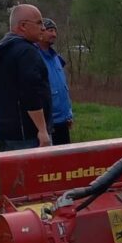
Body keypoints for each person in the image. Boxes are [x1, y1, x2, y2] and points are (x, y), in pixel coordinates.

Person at [0, 4, 52, 150]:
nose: (43, 27)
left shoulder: (2, 49)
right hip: (27, 135)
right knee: (35, 173)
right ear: (23, 26)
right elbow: (31, 92)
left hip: (5, 131)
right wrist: (42, 130)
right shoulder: (26, 52)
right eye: (39, 23)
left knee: (12, 173)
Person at [38, 17, 74, 146]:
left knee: (65, 162)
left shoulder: (56, 58)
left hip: (62, 121)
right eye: (50, 30)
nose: (54, 34)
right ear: (40, 32)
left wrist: (68, 114)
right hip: (48, 122)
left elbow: (62, 87)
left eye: (55, 31)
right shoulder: (34, 56)